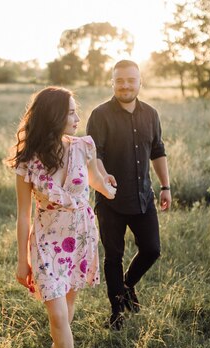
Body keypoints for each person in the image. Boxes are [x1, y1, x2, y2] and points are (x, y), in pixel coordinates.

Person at [8, 87, 116, 348]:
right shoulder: (27, 161)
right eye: (70, 112)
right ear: (52, 116)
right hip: (47, 242)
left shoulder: (84, 146)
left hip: (79, 236)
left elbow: (94, 181)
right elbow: (23, 216)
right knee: (56, 313)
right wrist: (21, 260)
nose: (77, 118)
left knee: (66, 309)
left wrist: (108, 186)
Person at [86, 59, 171, 330]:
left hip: (143, 196)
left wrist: (165, 186)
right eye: (119, 80)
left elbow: (157, 151)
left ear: (139, 82)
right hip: (109, 198)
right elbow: (94, 154)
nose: (125, 85)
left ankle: (127, 284)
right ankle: (116, 310)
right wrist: (101, 177)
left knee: (152, 249)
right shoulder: (99, 115)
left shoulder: (151, 114)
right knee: (113, 255)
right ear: (112, 82)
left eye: (130, 80)